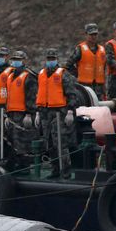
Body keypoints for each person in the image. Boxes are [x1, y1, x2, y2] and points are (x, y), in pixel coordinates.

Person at [35, 49, 80, 179]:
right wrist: (38, 112)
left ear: (56, 59)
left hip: (59, 113)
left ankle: (65, 171)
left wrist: (70, 111)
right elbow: (39, 94)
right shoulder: (41, 74)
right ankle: (55, 169)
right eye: (48, 58)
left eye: (52, 58)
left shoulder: (63, 74)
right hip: (45, 113)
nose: (50, 61)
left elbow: (72, 94)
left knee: (60, 143)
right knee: (48, 143)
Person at [5, 51, 38, 169]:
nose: (16, 61)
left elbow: (32, 96)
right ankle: (16, 165)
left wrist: (29, 114)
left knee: (24, 141)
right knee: (13, 141)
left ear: (24, 60)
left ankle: (26, 166)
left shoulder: (29, 76)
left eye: (19, 59)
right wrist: (7, 114)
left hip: (23, 114)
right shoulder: (10, 75)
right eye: (14, 59)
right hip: (12, 113)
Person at [67, 22, 107, 99]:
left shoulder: (102, 50)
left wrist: (104, 89)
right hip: (84, 87)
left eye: (95, 34)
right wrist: (77, 74)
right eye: (91, 34)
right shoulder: (80, 49)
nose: (93, 37)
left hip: (99, 88)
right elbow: (68, 65)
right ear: (86, 34)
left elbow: (103, 69)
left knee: (99, 109)